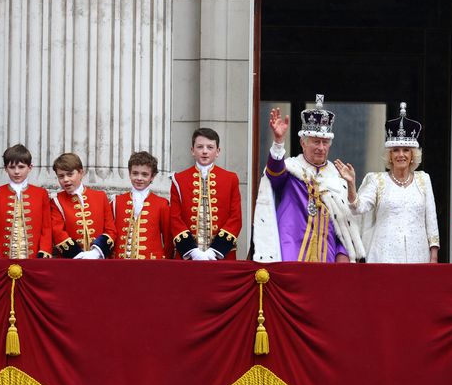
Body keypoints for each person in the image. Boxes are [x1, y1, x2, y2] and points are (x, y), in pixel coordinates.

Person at [252, 94, 364, 262]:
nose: (321, 147)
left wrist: (343, 254)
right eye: (315, 142)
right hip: (290, 249)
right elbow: (274, 174)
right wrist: (278, 142)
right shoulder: (291, 169)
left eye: (325, 143)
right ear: (303, 143)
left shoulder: (337, 177)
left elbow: (344, 222)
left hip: (327, 254)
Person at [334, 102, 439, 263]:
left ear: (413, 155)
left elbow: (431, 220)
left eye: (406, 150)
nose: (401, 155)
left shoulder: (423, 179)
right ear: (390, 155)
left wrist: (433, 255)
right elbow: (358, 208)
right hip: (383, 256)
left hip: (417, 256)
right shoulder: (377, 180)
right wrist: (351, 184)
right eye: (395, 150)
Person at [170, 128, 242, 260]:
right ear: (192, 150)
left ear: (218, 151)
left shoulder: (230, 178)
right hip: (189, 257)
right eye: (199, 147)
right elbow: (175, 219)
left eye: (210, 147)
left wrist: (215, 251)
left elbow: (235, 218)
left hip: (222, 256)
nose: (204, 151)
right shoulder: (179, 179)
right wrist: (191, 251)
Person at [50, 153, 115, 259]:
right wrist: (79, 255)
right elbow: (58, 232)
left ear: (81, 173)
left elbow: (110, 230)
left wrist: (96, 253)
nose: (65, 179)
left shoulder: (100, 197)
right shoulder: (56, 201)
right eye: (61, 176)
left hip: (99, 261)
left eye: (70, 174)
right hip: (70, 262)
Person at [0, 144, 52, 258]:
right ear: (5, 168)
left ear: (30, 167)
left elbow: (46, 227)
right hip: (1, 258)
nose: (16, 172)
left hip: (33, 258)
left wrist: (45, 250)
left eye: (21, 167)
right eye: (12, 167)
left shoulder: (41, 193)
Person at [113, 151, 174, 259]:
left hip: (151, 266)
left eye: (145, 174)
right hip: (120, 265)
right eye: (135, 173)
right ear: (129, 173)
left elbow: (168, 241)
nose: (139, 178)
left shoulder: (162, 204)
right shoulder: (117, 202)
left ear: (152, 176)